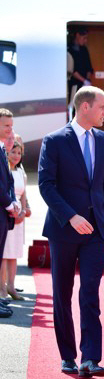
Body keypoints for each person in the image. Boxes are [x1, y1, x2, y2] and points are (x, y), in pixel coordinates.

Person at [38, 86, 104, 377]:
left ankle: (90, 359)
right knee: (62, 293)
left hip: (96, 231)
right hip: (64, 230)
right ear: (85, 107)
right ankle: (67, 356)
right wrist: (70, 216)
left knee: (90, 293)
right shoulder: (55, 140)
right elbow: (46, 185)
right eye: (103, 107)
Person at [0, 141, 27, 300]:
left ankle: (11, 285)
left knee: (14, 253)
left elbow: (24, 194)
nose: (16, 156)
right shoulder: (5, 169)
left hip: (18, 215)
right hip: (7, 213)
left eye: (19, 153)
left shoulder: (21, 171)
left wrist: (23, 211)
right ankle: (2, 288)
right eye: (13, 152)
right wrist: (12, 210)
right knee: (4, 253)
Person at [0, 109, 20, 317]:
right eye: (6, 125)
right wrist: (8, 204)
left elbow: (8, 181)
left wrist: (14, 201)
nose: (10, 130)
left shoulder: (1, 150)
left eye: (11, 126)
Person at [67, 27, 93, 103]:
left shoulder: (84, 49)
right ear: (77, 35)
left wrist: (87, 81)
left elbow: (89, 67)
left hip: (84, 84)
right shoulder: (69, 49)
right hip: (72, 83)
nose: (86, 41)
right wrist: (84, 80)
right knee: (73, 104)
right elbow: (71, 70)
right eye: (84, 38)